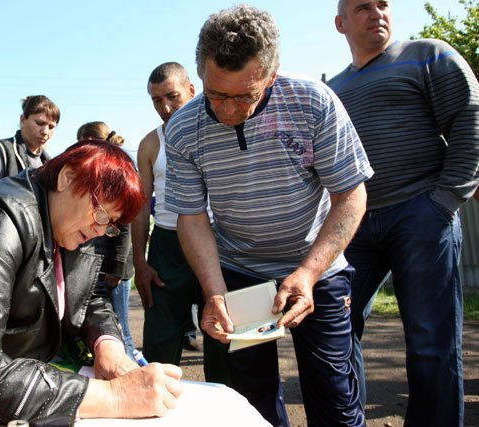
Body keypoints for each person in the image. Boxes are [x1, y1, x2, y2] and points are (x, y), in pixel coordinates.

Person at [164, 4, 372, 426]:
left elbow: (350, 196)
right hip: (239, 273)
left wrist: (309, 273)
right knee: (252, 397)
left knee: (333, 393)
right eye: (216, 94)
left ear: (271, 75)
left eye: (245, 95)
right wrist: (214, 293)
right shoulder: (183, 128)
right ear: (200, 75)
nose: (227, 110)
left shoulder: (314, 102)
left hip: (318, 269)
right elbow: (192, 218)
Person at [0, 140, 183, 425]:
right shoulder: (3, 214)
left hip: (30, 376)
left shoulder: (71, 220)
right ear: (67, 177)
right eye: (102, 214)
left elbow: (88, 294)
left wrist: (108, 346)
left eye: (110, 224)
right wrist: (115, 396)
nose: (100, 230)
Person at [329, 1, 479, 424]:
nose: (376, 12)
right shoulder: (334, 89)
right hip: (355, 225)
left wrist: (445, 201)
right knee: (336, 328)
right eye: (363, 7)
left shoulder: (428, 54)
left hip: (421, 213)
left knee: (431, 340)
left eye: (383, 4)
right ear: (341, 23)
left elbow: (470, 119)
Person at [131, 62, 229, 383]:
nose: (165, 107)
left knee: (223, 340)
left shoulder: (219, 131)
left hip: (215, 242)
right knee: (159, 345)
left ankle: (222, 403)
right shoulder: (150, 144)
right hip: (167, 246)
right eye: (156, 100)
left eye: (172, 96)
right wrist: (139, 261)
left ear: (191, 90)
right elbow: (140, 206)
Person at [76, 121, 136, 356]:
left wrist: (116, 267)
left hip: (114, 271)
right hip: (98, 266)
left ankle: (132, 369)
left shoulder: (117, 171)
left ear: (92, 141)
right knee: (105, 330)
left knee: (120, 331)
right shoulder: (96, 171)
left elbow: (125, 226)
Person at [0, 95, 59, 184]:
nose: (45, 132)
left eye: (51, 127)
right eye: (39, 123)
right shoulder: (0, 152)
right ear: (22, 120)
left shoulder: (50, 166)